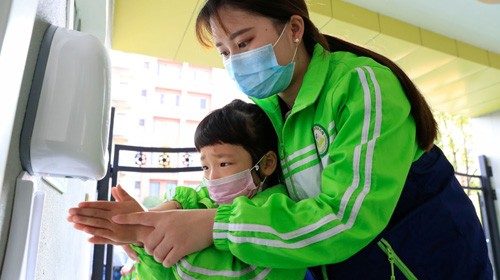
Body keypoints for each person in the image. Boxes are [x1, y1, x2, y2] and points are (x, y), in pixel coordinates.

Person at [76, 1, 493, 279]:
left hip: (430, 266)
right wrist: (159, 221)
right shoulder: (267, 114)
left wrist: (214, 227)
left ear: (294, 28)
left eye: (244, 42)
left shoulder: (360, 86)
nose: (236, 60)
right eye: (224, 51)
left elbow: (345, 219)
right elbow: (240, 201)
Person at [68, 100, 306, 280]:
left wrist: (147, 236)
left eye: (224, 164)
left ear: (266, 164)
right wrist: (156, 219)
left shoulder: (276, 216)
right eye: (205, 166)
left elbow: (221, 273)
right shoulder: (211, 203)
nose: (212, 177)